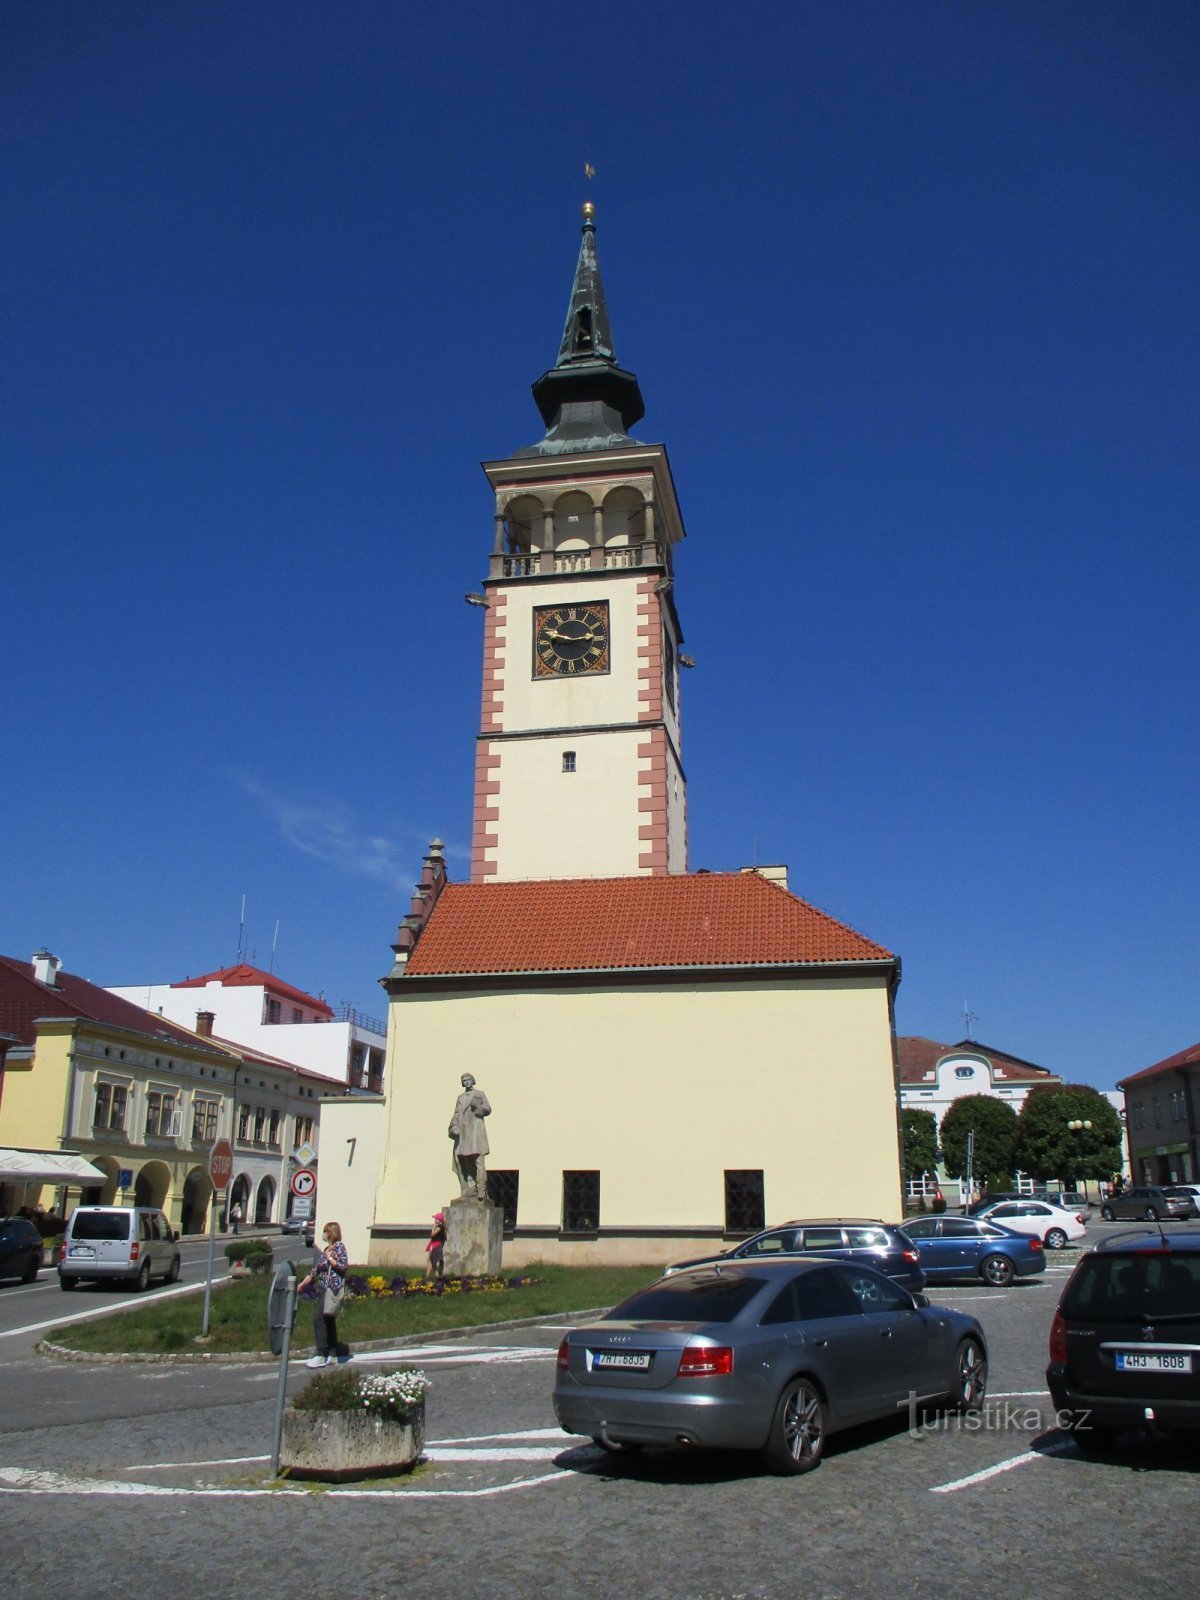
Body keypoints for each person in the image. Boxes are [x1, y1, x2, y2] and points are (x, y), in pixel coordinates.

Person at [298, 1220, 351, 1369]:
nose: (323, 1234)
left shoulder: (339, 1247)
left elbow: (343, 1267)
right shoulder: (327, 1248)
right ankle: (332, 1354)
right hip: (323, 1290)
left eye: (325, 1231)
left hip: (332, 1289)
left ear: (332, 1233)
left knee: (319, 1319)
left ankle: (321, 1354)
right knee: (328, 1321)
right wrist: (303, 1284)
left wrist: (330, 1258)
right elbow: (315, 1270)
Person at [448, 1072, 491, 1197]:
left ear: (473, 1081)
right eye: (464, 1081)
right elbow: (456, 1113)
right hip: (464, 1132)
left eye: (468, 1080)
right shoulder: (460, 1097)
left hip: (476, 1131)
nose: (466, 1082)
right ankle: (471, 1188)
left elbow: (488, 1109)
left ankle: (482, 1189)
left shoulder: (480, 1094)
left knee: (479, 1161)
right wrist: (454, 1126)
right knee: (465, 1160)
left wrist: (478, 1107)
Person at [425, 1211, 446, 1281]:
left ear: (438, 1220)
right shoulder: (440, 1227)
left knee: (432, 1261)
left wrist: (433, 1227)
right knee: (431, 1260)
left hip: (436, 1245)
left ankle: (435, 1276)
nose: (435, 1220)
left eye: (436, 1219)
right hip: (434, 1244)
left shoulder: (440, 1227)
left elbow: (432, 1234)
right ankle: (436, 1276)